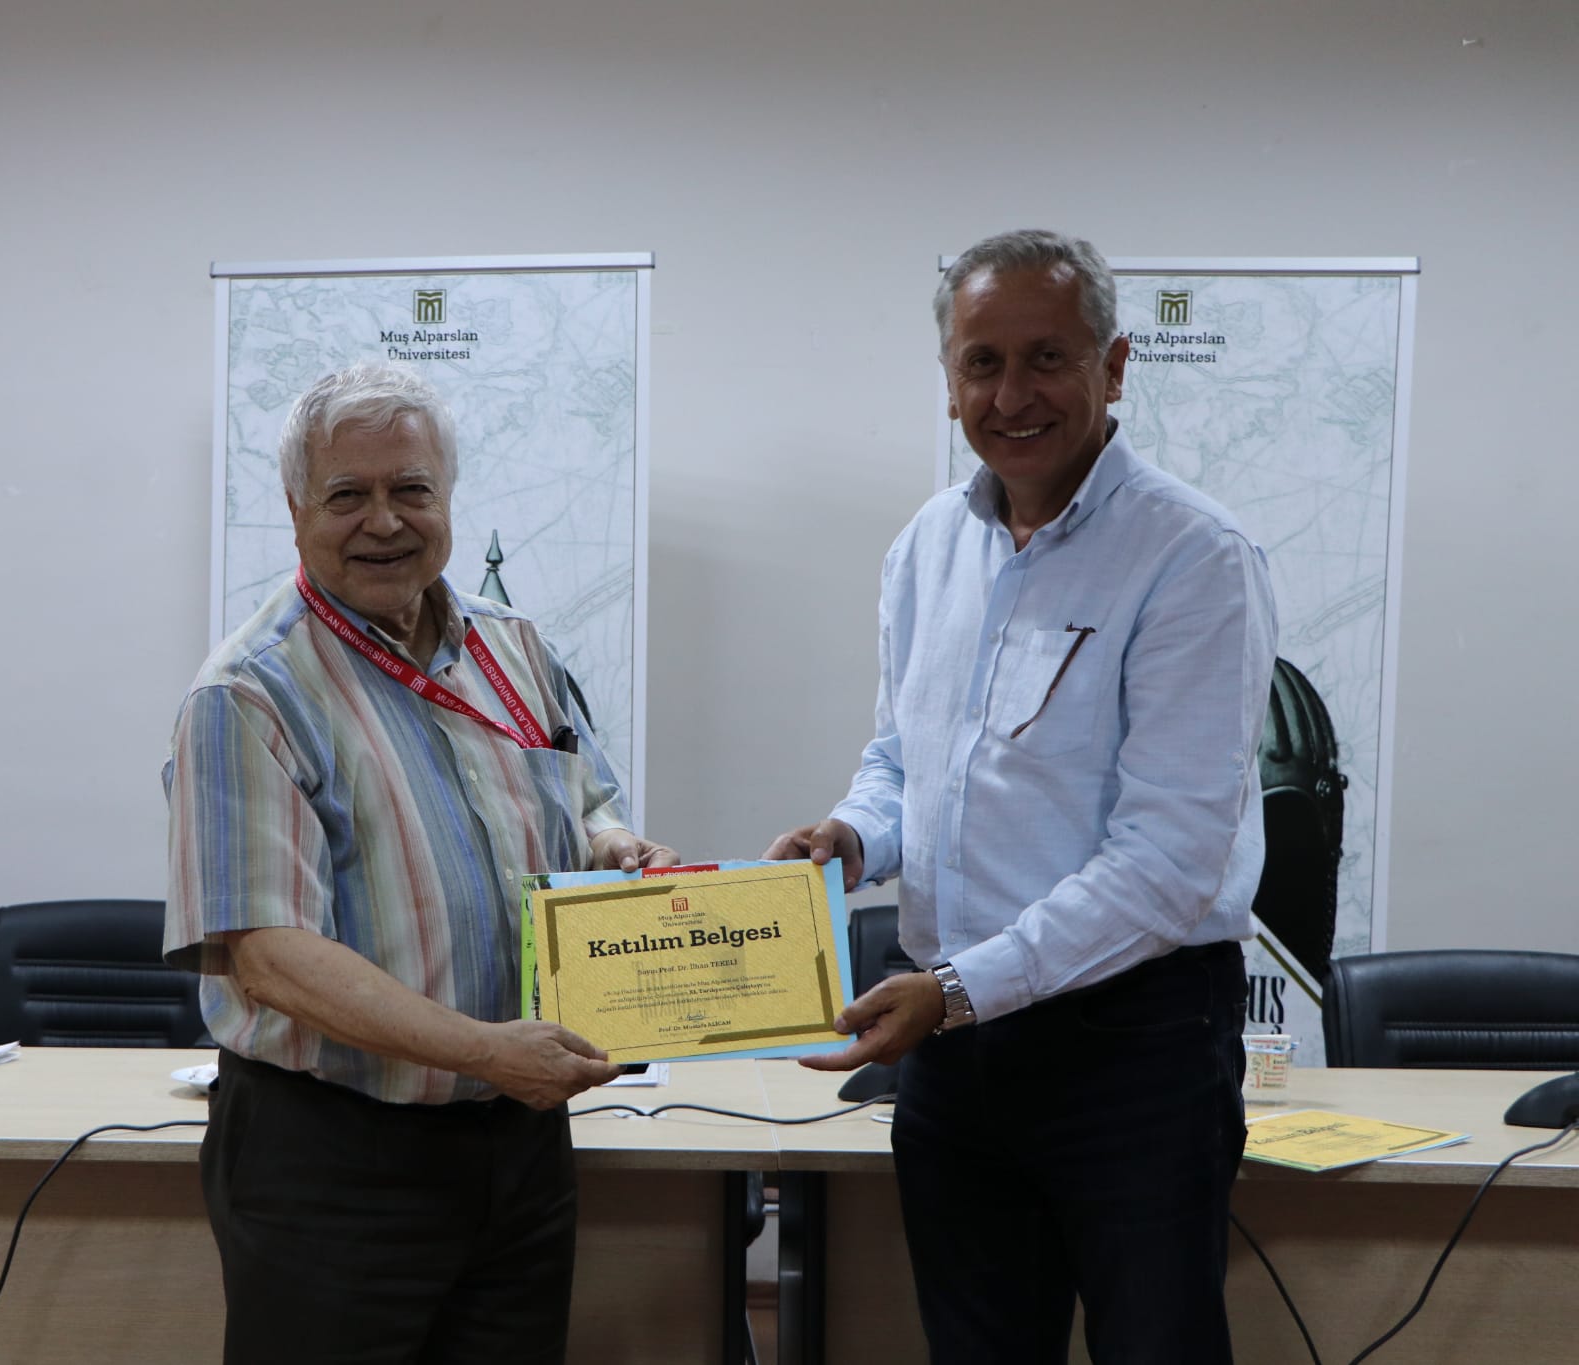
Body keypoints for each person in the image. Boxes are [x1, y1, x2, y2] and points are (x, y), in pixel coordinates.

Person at [767, 229, 1277, 1363]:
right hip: (955, 1054)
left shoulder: (1194, 556)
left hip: (1131, 1047)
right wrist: (854, 835)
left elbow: (1167, 862)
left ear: (1114, 366)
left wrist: (954, 992)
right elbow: (903, 758)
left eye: (1047, 358)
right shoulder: (926, 546)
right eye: (981, 363)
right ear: (948, 379)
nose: (1011, 396)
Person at [164, 362, 673, 1364]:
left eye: (410, 489)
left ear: (448, 496)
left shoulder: (513, 648)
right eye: (346, 495)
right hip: (335, 1158)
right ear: (296, 510)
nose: (384, 521)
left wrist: (617, 845)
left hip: (517, 1145)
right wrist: (483, 1050)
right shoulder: (247, 695)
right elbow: (268, 954)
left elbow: (584, 795)